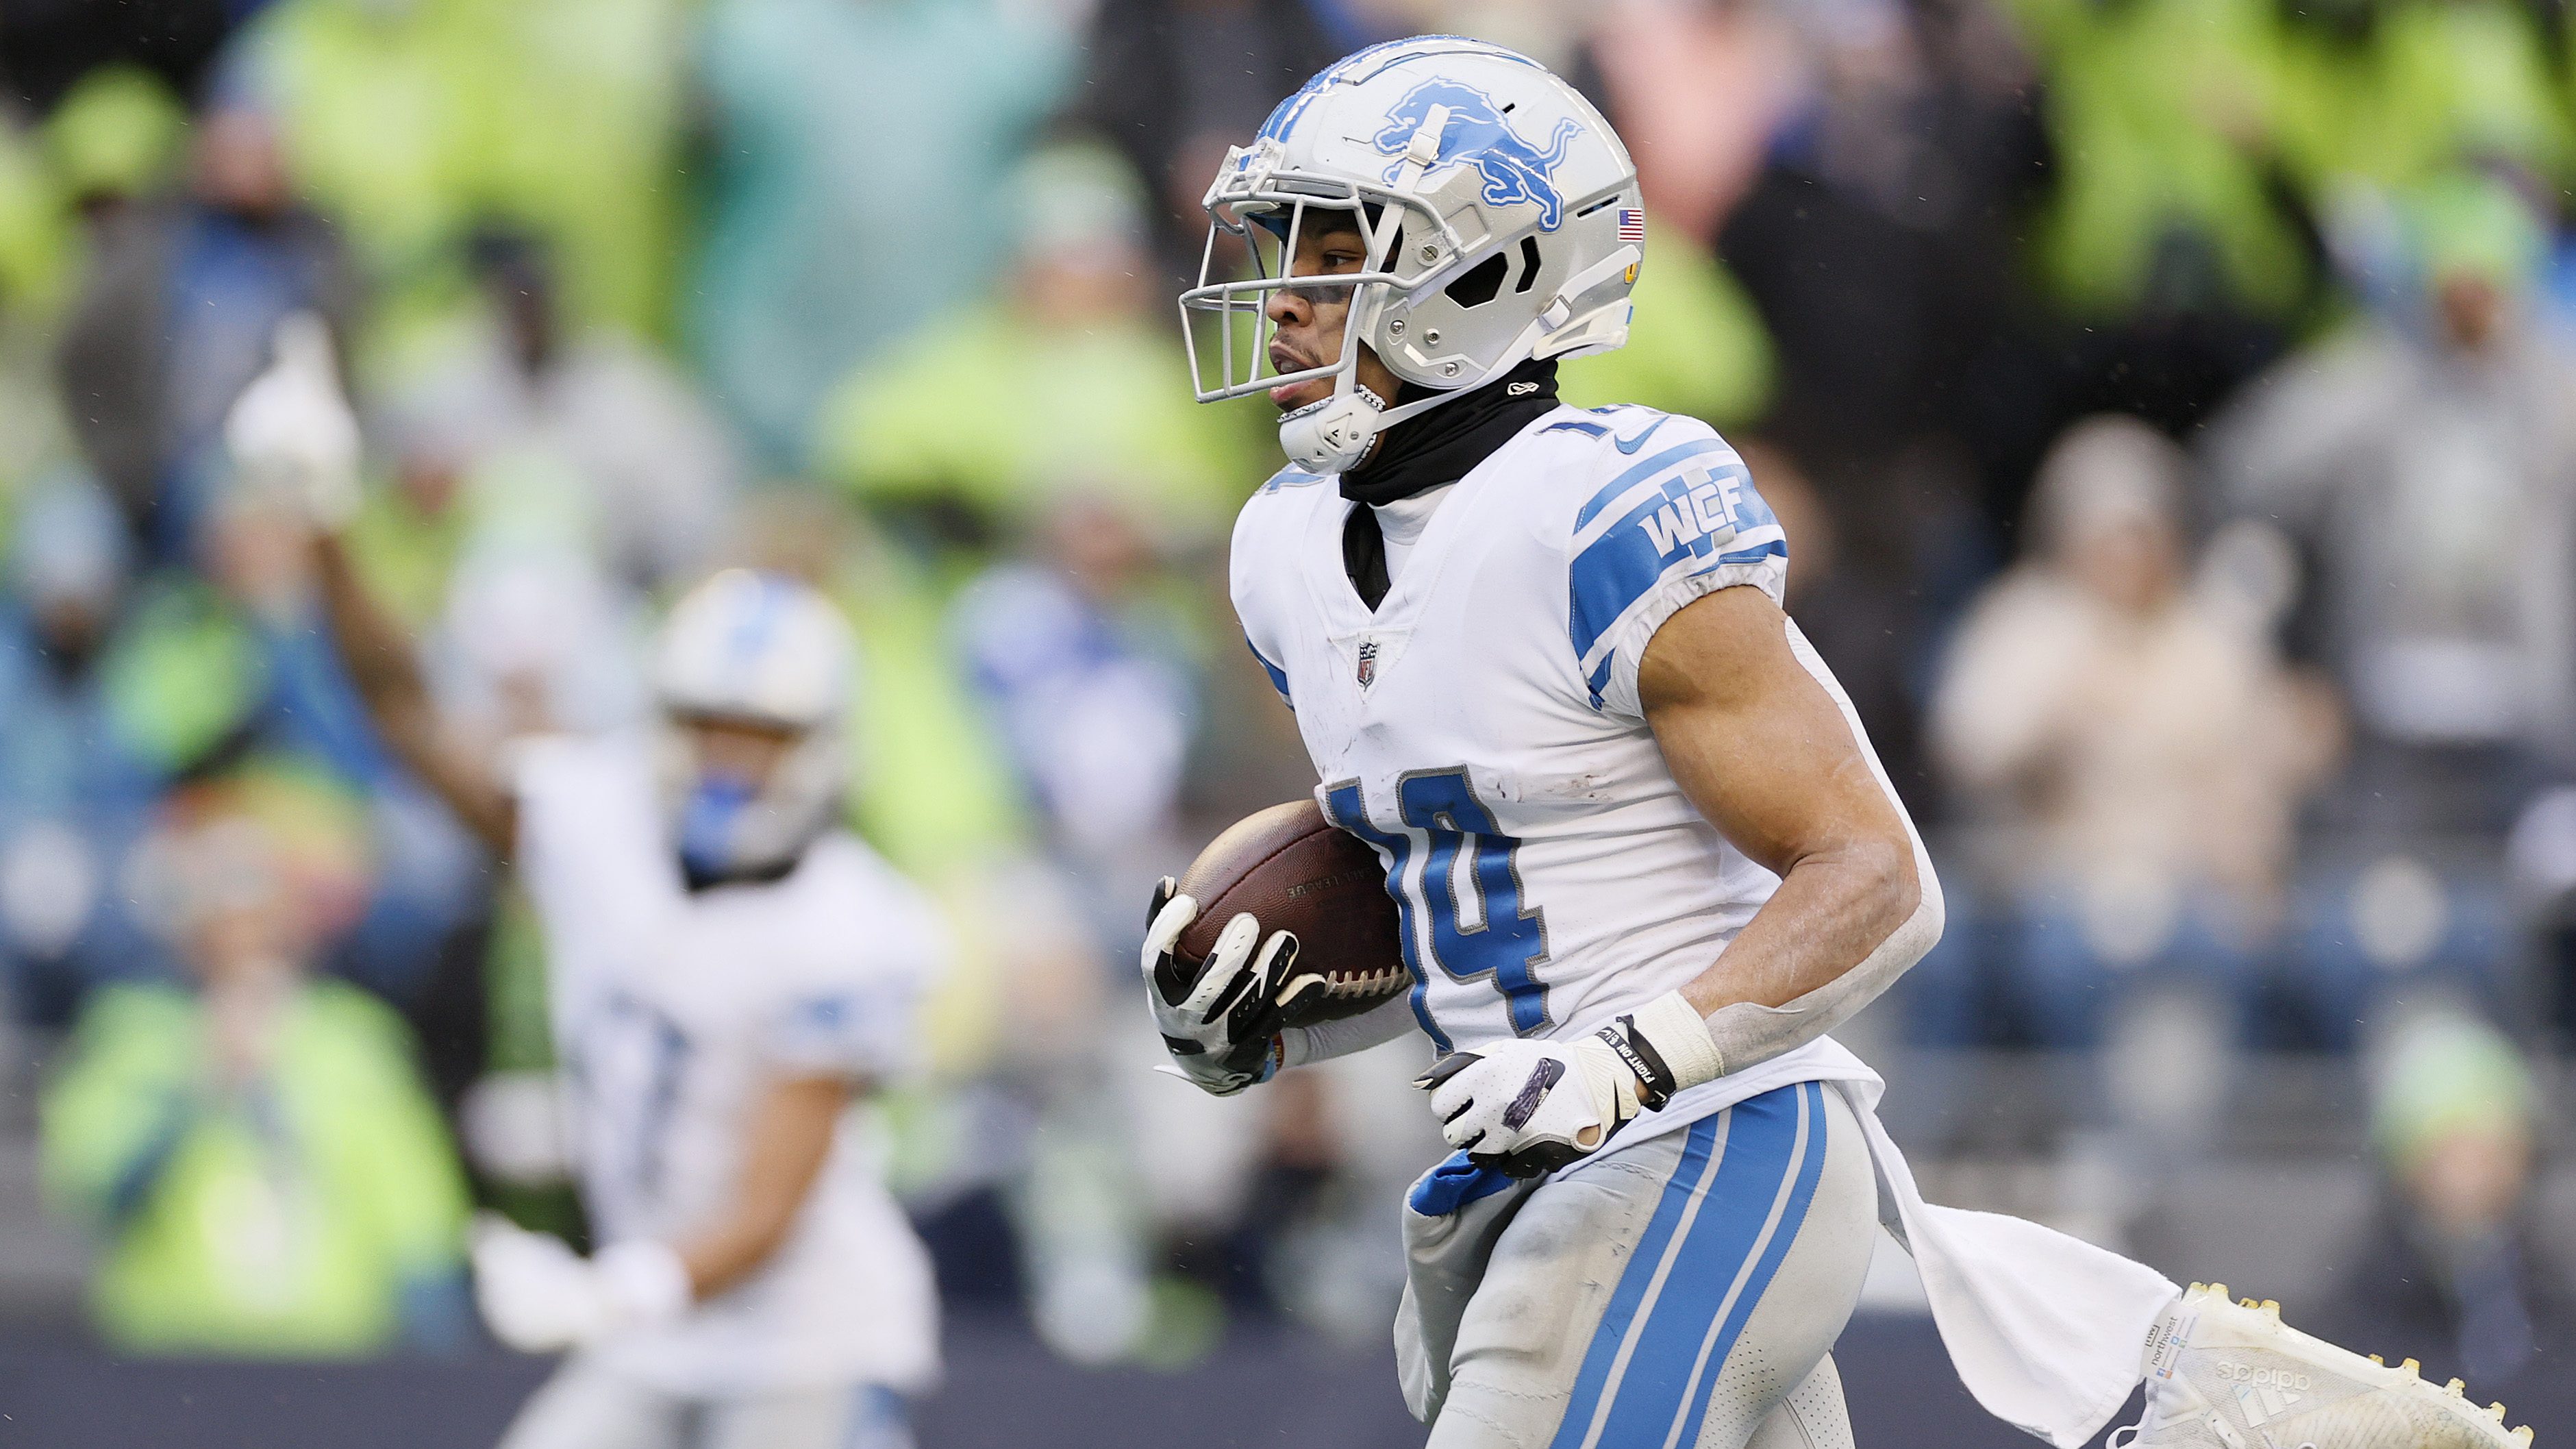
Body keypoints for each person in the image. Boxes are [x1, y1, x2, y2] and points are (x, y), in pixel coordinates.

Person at [1143, 38, 2531, 1449]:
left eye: (1337, 257)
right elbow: (1481, 902)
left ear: (1488, 273)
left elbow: (1876, 877)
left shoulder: (1594, 511)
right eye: (1281, 251)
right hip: (1530, 1167)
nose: (1285, 306)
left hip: (1704, 1149)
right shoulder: (1284, 552)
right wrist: (1271, 999)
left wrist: (1626, 1057)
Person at [225, 319, 945, 1449]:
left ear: (822, 746)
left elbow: (767, 1202)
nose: (727, 762)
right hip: (654, 1331)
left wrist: (613, 1291)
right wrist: (324, 521)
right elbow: (407, 711)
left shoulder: (858, 927)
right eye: (708, 727)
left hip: (807, 1338)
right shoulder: (597, 818)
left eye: (759, 734)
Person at [40, 761, 472, 1357]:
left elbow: (418, 1226)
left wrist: (433, 1358)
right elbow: (99, 1189)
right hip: (166, 1362)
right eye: (218, 899)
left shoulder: (355, 1040)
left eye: (259, 895)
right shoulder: (132, 1029)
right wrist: (199, 1083)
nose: (243, 925)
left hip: (333, 1370)